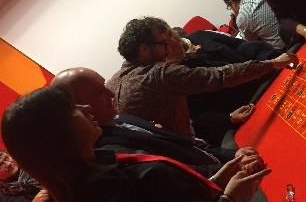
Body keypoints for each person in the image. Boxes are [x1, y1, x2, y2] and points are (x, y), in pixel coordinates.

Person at [2, 87, 273, 202]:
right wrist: (229, 200)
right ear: (57, 134)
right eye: (72, 108)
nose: (85, 107)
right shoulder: (96, 199)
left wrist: (217, 179)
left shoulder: (100, 157)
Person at [107, 17, 298, 136]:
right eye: (164, 43)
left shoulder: (114, 82)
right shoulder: (158, 74)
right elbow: (220, 76)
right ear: (143, 49)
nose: (171, 44)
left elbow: (243, 49)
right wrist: (273, 63)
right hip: (187, 145)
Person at [52, 67, 259, 176]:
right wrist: (231, 167)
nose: (111, 94)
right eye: (99, 93)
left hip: (225, 167)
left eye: (104, 85)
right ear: (80, 108)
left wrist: (230, 154)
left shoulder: (119, 117)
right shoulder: (106, 150)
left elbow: (182, 143)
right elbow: (175, 174)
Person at [219, 0, 286, 50]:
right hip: (292, 30)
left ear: (232, 3)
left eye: (229, 6)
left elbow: (253, 43)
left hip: (283, 48)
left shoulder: (242, 17)